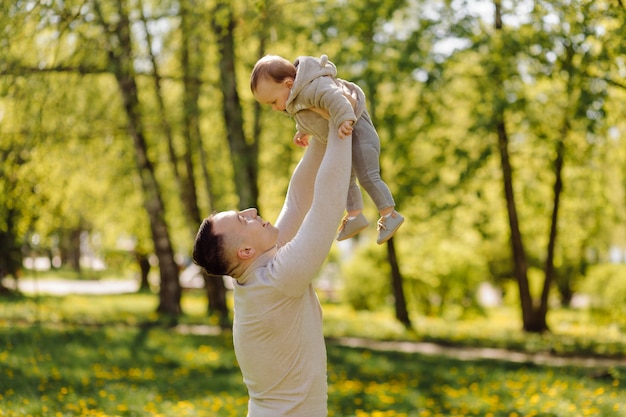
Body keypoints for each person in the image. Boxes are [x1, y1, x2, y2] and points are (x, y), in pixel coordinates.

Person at [193, 126, 352, 416]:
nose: (252, 211)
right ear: (245, 252)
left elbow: (297, 202)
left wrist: (322, 133)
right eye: (243, 220)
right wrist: (342, 125)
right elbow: (326, 204)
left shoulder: (260, 273)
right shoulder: (276, 281)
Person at [250, 53, 404, 245]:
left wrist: (344, 119)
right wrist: (303, 131)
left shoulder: (313, 86)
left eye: (273, 102)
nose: (274, 108)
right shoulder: (295, 98)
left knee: (368, 175)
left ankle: (390, 214)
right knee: (344, 178)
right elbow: (309, 116)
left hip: (359, 133)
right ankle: (355, 216)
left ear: (289, 84)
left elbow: (336, 98)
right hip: (346, 139)